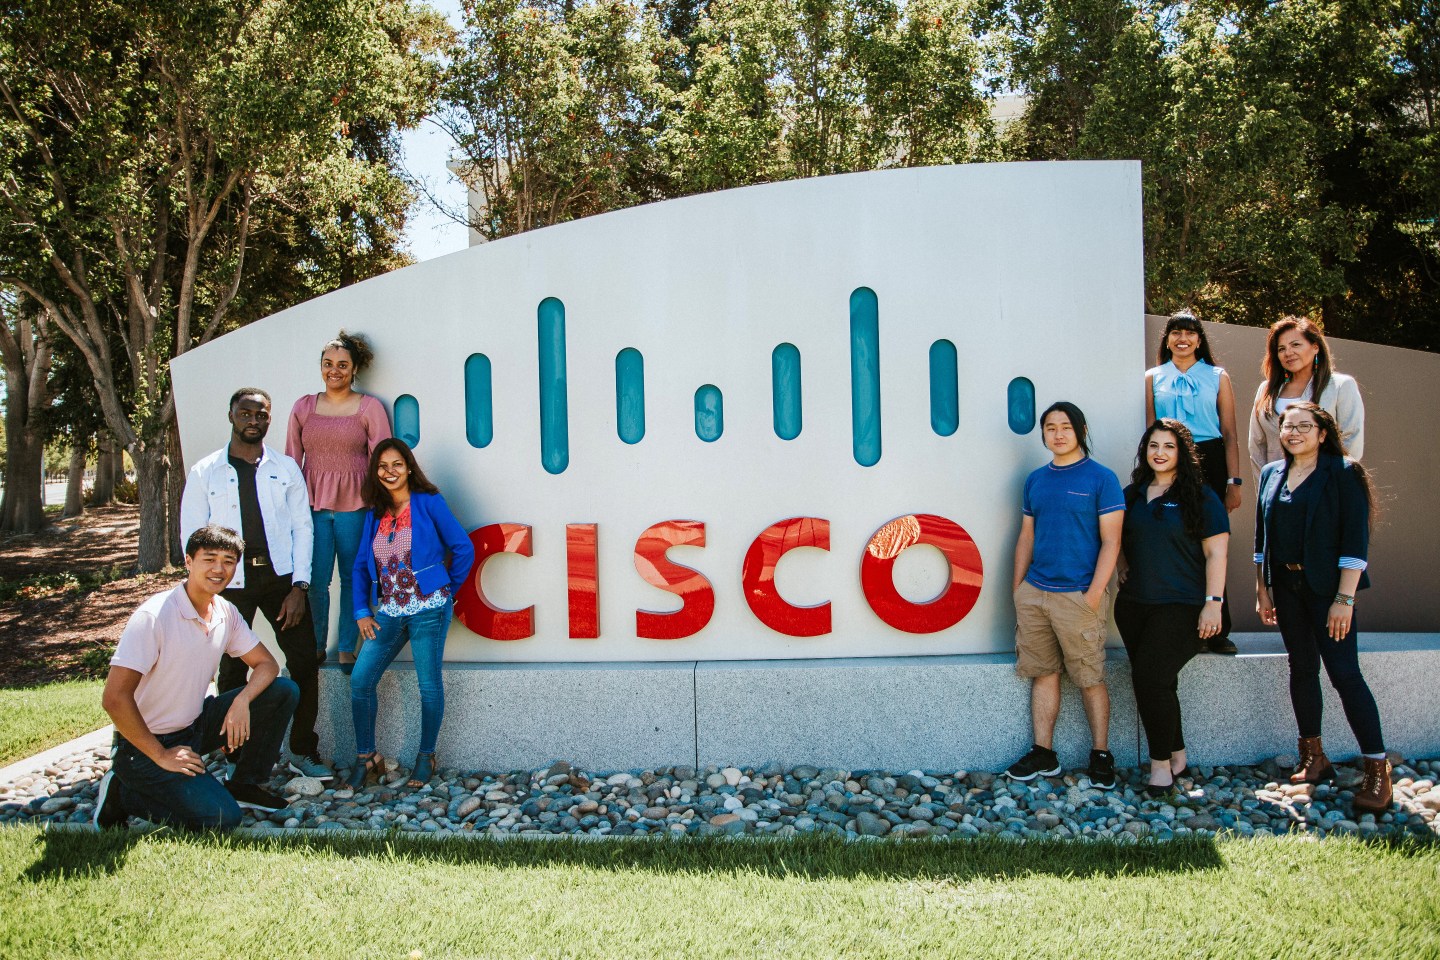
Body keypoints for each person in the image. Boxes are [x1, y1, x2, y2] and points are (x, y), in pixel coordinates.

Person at [93, 525, 296, 831]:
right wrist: (161, 755)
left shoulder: (224, 612)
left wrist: (242, 701)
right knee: (220, 819)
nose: (219, 569)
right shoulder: (154, 616)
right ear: (188, 562)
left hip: (193, 727)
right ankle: (121, 793)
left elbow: (266, 665)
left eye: (228, 561)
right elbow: (114, 698)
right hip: (143, 744)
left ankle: (244, 784)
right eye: (209, 559)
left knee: (282, 690)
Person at [179, 387, 331, 781]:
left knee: (302, 664)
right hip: (230, 585)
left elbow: (303, 528)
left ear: (269, 418)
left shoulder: (285, 468)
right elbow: (192, 536)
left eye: (261, 414)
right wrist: (207, 587)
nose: (253, 421)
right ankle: (235, 751)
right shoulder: (205, 471)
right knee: (231, 671)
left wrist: (300, 586)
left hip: (281, 580)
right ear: (231, 415)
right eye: (245, 413)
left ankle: (302, 750)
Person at [1255, 402, 1390, 812]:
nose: (1293, 432)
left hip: (1330, 591)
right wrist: (1263, 589)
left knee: (1345, 675)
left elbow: (1355, 541)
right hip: (1288, 589)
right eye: (1287, 426)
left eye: (1303, 426)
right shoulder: (1270, 474)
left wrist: (1344, 600)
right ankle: (1313, 757)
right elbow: (1261, 539)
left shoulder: (1343, 472)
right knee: (1301, 668)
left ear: (1322, 432)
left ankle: (1378, 771)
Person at [1005, 402, 1125, 789]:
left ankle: (1101, 755)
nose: (1057, 434)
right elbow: (1027, 535)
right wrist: (1018, 588)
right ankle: (1044, 753)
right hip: (1036, 593)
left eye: (1065, 426)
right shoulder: (1036, 479)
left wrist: (1092, 596)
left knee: (1089, 677)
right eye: (1050, 427)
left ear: (1081, 429)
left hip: (1078, 596)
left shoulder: (1101, 478)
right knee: (1043, 673)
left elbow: (1112, 542)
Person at [347, 439, 475, 791]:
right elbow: (360, 566)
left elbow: (463, 547)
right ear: (375, 472)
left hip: (428, 609)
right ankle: (366, 758)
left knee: (428, 685)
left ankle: (426, 757)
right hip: (388, 610)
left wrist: (446, 591)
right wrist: (361, 611)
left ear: (409, 467)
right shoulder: (375, 513)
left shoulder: (427, 502)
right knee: (360, 681)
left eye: (397, 464)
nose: (390, 472)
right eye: (382, 466)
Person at [1115, 419, 1229, 796]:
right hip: (1133, 607)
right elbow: (1114, 538)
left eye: (1168, 446)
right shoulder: (1132, 494)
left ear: (1182, 453)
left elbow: (1216, 552)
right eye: (1153, 446)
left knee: (1149, 678)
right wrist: (1122, 565)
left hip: (1182, 606)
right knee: (1160, 682)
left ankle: (1160, 765)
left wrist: (1213, 604)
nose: (1159, 453)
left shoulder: (1201, 495)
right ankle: (1177, 751)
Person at [286, 331, 391, 672]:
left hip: (356, 506)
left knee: (352, 576)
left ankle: (348, 646)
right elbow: (291, 460)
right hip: (312, 508)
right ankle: (316, 645)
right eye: (328, 364)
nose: (335, 371)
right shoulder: (303, 407)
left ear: (354, 369)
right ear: (321, 367)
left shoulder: (369, 407)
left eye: (343, 365)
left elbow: (382, 458)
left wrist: (384, 504)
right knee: (315, 580)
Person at [1145, 312, 1243, 654]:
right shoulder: (1153, 377)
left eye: (1189, 333)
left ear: (1199, 340)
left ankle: (1217, 628)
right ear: (1167, 339)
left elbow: (1229, 433)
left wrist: (1234, 481)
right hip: (1166, 455)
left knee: (1211, 540)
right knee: (1172, 537)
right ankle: (1179, 624)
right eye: (1175, 333)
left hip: (1209, 457)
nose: (1182, 338)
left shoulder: (1217, 376)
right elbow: (1149, 429)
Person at [1249, 315, 1365, 478]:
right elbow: (1257, 445)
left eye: (1295, 344)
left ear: (1315, 346)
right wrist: (1266, 489)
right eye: (1281, 349)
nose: (1288, 353)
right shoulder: (1266, 390)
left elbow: (1351, 441)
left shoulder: (1340, 386)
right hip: (1278, 489)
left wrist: (1333, 483)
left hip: (1326, 488)